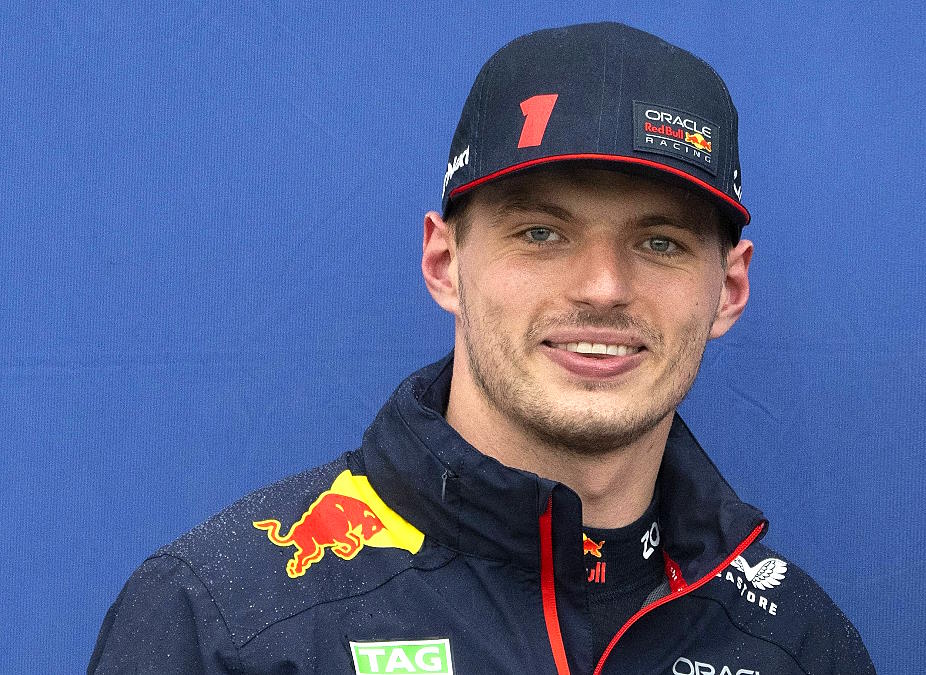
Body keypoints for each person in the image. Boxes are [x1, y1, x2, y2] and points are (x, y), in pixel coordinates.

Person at [90, 22, 874, 674]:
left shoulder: (795, 643)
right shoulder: (226, 621)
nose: (603, 286)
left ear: (729, 289)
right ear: (444, 264)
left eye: (660, 241)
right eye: (541, 233)